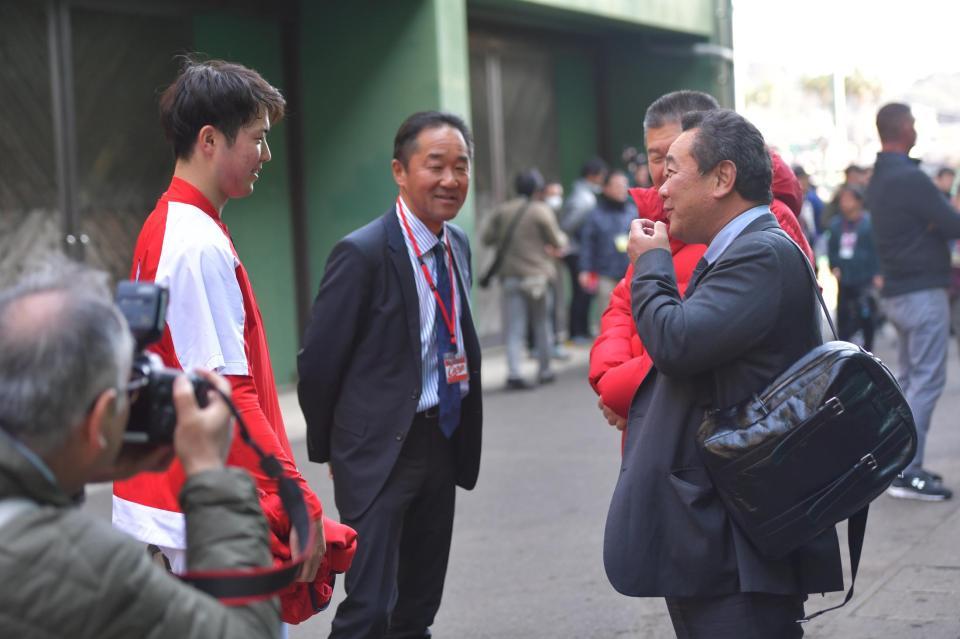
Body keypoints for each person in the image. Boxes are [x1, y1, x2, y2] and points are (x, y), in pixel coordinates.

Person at [604, 109, 843, 638]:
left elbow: (675, 343)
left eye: (672, 171)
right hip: (721, 528)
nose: (659, 189)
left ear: (722, 177)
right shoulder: (745, 249)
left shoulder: (760, 252)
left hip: (736, 537)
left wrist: (651, 264)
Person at [111, 58, 327, 598]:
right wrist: (296, 499)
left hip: (178, 503)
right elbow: (228, 394)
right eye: (257, 138)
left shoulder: (167, 222)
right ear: (210, 140)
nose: (266, 155)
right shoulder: (196, 242)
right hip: (202, 512)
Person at [0, 264, 282, 638]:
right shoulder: (92, 567)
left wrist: (86, 461)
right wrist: (212, 475)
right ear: (101, 418)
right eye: (129, 387)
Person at [298, 111, 483, 638]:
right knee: (371, 606)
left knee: (418, 607)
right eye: (435, 166)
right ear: (400, 172)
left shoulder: (458, 244)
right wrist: (335, 447)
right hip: (378, 449)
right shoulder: (363, 252)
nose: (450, 180)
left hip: (441, 439)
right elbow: (318, 363)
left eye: (461, 167)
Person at [588, 90, 814, 434]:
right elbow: (621, 306)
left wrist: (633, 394)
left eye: (674, 162)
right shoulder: (664, 224)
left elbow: (684, 344)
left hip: (716, 443)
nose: (662, 178)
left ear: (721, 174)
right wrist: (612, 381)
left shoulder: (761, 238)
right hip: (662, 431)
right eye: (655, 158)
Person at [868, 102, 960, 501]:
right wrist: (937, 217)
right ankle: (909, 470)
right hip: (922, 292)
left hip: (900, 292)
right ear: (905, 128)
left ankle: (898, 465)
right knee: (925, 380)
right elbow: (953, 224)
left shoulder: (879, 178)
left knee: (908, 381)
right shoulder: (909, 177)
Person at [483, 169, 568, 389]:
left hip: (511, 277)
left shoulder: (503, 211)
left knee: (514, 328)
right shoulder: (541, 211)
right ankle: (545, 370)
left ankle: (514, 373)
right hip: (538, 278)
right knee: (542, 325)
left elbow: (487, 238)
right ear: (537, 189)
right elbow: (557, 241)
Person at [826, 185, 880, 350]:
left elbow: (877, 249)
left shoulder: (869, 223)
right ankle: (844, 350)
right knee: (844, 316)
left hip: (865, 276)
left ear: (859, 202)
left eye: (849, 199)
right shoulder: (836, 224)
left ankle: (868, 349)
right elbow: (832, 249)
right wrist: (834, 266)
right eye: (843, 199)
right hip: (845, 276)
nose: (845, 203)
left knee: (866, 315)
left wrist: (878, 273)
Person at [561, 157, 608, 342]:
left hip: (582, 251)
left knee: (586, 292)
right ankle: (576, 331)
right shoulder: (584, 199)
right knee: (580, 293)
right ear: (591, 176)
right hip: (577, 252)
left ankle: (582, 330)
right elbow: (567, 226)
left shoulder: (585, 195)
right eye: (601, 176)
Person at [578, 170, 636, 311]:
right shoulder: (595, 214)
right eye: (617, 185)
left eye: (624, 185)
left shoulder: (633, 211)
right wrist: (585, 269)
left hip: (631, 274)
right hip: (605, 274)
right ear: (606, 188)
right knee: (608, 313)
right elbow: (587, 243)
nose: (622, 189)